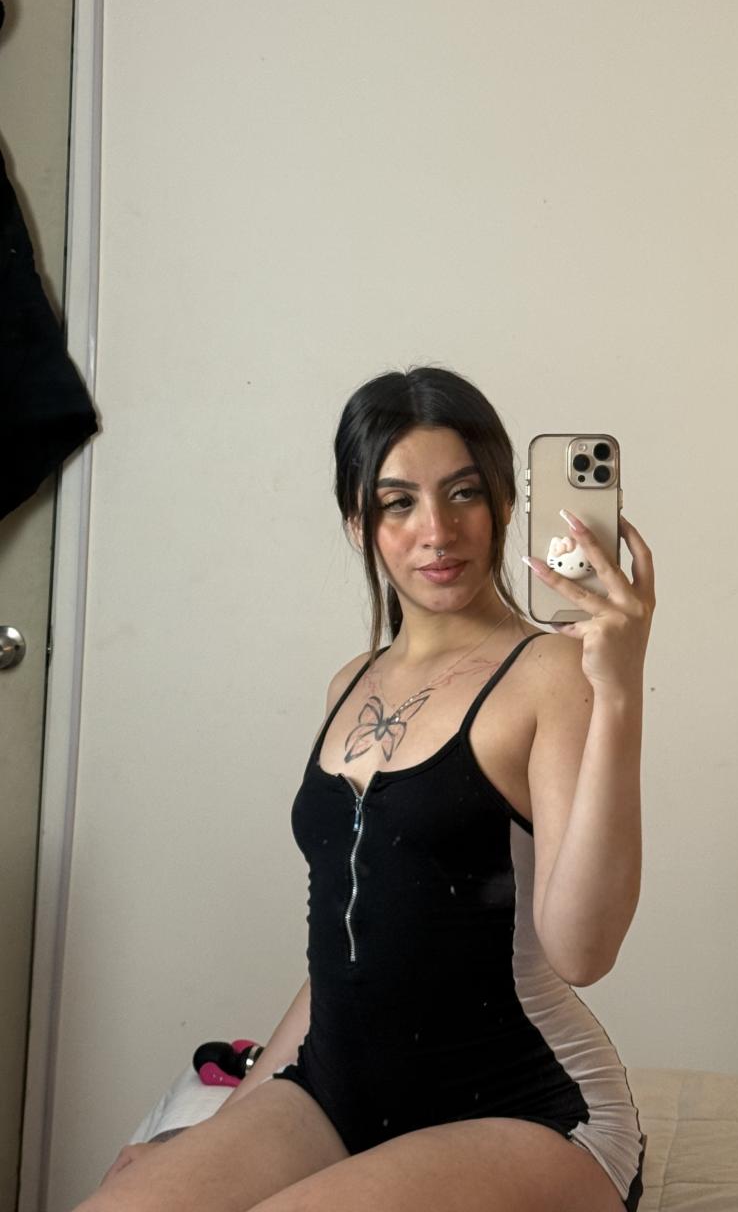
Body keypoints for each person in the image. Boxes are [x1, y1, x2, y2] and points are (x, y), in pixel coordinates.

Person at [86, 366, 655, 1212]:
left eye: (464, 493)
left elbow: (583, 952)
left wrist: (621, 691)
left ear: (505, 502)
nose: (437, 531)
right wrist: (224, 1128)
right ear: (359, 522)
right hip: (335, 1094)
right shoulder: (350, 682)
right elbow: (344, 950)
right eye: (399, 503)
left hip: (525, 1109)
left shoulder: (551, 671)